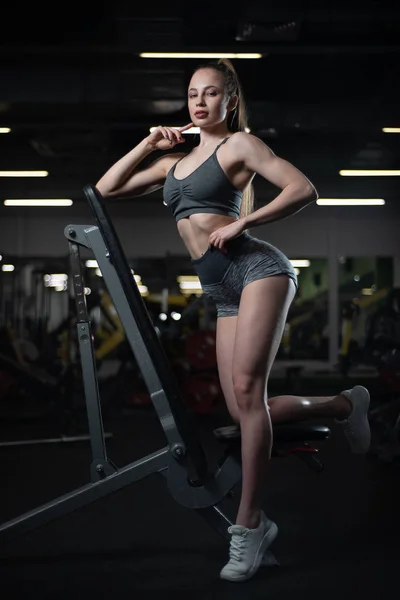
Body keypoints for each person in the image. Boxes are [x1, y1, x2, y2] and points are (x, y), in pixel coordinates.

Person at [96, 59, 371, 583]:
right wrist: (148, 146)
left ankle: (249, 527)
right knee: (243, 407)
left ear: (230, 101)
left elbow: (302, 188)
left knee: (247, 393)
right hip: (220, 287)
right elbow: (104, 191)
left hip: (258, 268)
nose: (200, 102)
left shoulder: (238, 147)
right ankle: (343, 404)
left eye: (212, 93)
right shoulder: (174, 164)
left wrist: (244, 220)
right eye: (193, 93)